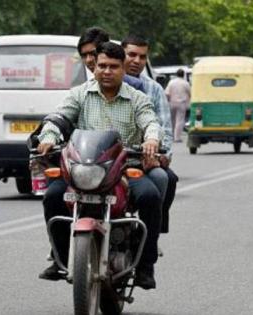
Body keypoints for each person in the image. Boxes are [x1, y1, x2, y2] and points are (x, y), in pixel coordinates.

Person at [37, 42, 166, 289]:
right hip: (83, 169)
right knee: (52, 196)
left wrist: (151, 139)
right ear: (94, 67)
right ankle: (60, 258)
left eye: (113, 67)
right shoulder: (79, 94)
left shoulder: (137, 98)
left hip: (124, 168)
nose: (107, 71)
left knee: (150, 197)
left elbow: (150, 121)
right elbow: (59, 118)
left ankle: (145, 266)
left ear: (123, 69)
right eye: (102, 66)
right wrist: (48, 137)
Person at [122, 34, 178, 234]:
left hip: (141, 158)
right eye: (131, 55)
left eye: (142, 57)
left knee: (165, 179)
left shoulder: (152, 90)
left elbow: (162, 128)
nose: (137, 61)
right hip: (104, 161)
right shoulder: (89, 90)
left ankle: (150, 233)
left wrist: (159, 155)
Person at [77, 27, 145, 92]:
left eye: (92, 53)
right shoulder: (83, 90)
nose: (88, 60)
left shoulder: (134, 86)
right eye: (84, 55)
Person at [165, 68, 191, 142]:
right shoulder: (185, 83)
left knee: (172, 120)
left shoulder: (171, 82)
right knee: (180, 120)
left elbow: (167, 93)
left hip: (172, 102)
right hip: (182, 103)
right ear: (183, 75)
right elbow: (190, 93)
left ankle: (171, 136)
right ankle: (177, 137)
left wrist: (167, 101)